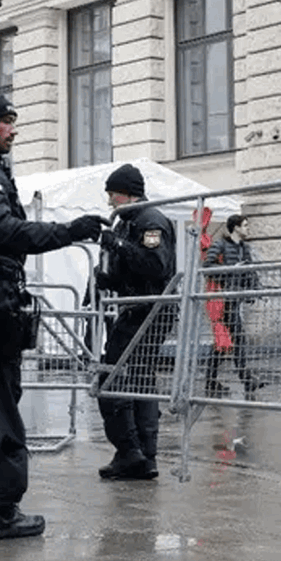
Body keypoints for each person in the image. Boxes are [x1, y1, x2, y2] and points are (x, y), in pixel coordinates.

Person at [0, 91, 106, 540]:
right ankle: (1, 511)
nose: (13, 129)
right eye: (6, 121)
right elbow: (1, 231)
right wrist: (70, 231)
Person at [94, 164, 176, 480]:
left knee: (112, 377)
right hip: (138, 308)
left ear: (128, 193)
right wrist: (106, 278)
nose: (111, 202)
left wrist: (116, 245)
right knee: (140, 377)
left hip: (148, 311)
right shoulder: (130, 223)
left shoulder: (149, 221)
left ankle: (130, 451)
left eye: (113, 195)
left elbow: (155, 267)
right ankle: (143, 456)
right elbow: (131, 270)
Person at [202, 215, 264, 397]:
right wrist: (230, 270)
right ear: (235, 227)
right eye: (245, 225)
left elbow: (250, 271)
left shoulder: (244, 248)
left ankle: (213, 382)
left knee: (224, 343)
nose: (248, 229)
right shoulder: (220, 245)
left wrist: (255, 289)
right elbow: (207, 266)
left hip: (235, 299)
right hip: (222, 299)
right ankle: (246, 381)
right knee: (235, 340)